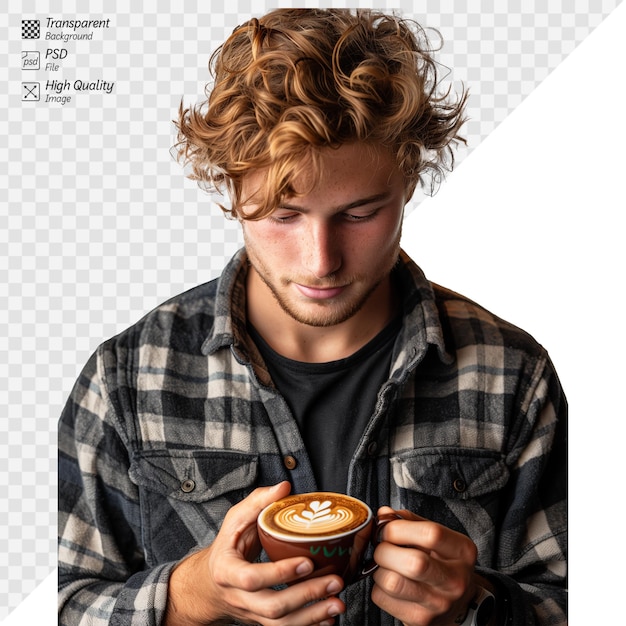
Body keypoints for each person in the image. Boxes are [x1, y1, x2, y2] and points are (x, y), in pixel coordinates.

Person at [58, 9, 567, 626]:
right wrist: (193, 597)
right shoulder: (127, 377)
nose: (321, 260)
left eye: (359, 213)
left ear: (408, 182)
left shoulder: (513, 376)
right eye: (283, 215)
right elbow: (55, 602)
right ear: (231, 190)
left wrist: (478, 604)